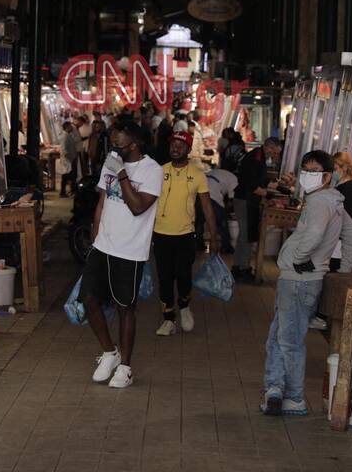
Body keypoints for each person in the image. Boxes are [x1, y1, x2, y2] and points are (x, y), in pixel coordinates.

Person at [261, 150, 352, 416]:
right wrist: (344, 270)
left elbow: (315, 234)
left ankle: (294, 398)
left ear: (327, 177)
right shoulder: (333, 201)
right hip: (304, 280)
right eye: (305, 170)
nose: (307, 176)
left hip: (299, 280)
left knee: (289, 341)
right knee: (279, 337)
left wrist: (299, 259)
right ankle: (274, 389)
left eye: (314, 172)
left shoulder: (320, 202)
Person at [83, 121, 162, 389]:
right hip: (103, 245)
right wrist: (95, 237)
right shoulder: (112, 163)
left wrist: (122, 174)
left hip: (130, 250)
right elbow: (102, 203)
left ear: (135, 143)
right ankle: (109, 352)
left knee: (125, 308)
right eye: (113, 141)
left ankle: (125, 367)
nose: (115, 146)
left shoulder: (152, 170)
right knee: (89, 299)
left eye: (120, 142)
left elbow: (138, 206)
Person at [152, 131, 219, 336]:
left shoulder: (198, 174)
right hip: (160, 234)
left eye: (180, 146)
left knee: (183, 275)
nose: (175, 148)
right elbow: (148, 203)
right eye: (173, 145)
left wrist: (213, 236)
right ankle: (168, 319)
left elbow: (206, 206)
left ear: (188, 150)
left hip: (185, 235)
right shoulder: (159, 171)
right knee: (164, 278)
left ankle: (184, 307)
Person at [310, 151, 352, 330]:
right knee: (331, 279)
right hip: (337, 242)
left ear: (344, 168)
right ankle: (324, 316)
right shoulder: (347, 187)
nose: (333, 172)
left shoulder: (350, 190)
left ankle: (324, 317)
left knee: (332, 281)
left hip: (340, 244)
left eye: (335, 168)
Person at [231, 137, 284, 282]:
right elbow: (252, 186)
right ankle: (243, 269)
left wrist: (278, 186)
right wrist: (269, 195)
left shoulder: (259, 157)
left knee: (245, 235)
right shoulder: (255, 158)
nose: (275, 156)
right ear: (269, 148)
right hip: (245, 200)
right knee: (246, 236)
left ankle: (238, 267)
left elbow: (260, 179)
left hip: (248, 200)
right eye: (275, 153)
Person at [202, 165, 239, 254]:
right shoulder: (234, 179)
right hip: (213, 196)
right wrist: (228, 212)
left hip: (199, 194)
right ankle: (226, 247)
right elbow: (231, 200)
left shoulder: (218, 172)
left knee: (199, 220)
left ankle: (198, 244)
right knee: (222, 222)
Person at [59, 120, 80, 197]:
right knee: (67, 176)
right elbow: (64, 150)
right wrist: (71, 158)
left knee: (69, 176)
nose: (72, 128)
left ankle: (69, 191)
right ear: (67, 127)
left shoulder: (68, 135)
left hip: (70, 158)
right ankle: (64, 192)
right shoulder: (65, 136)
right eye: (70, 126)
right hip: (68, 159)